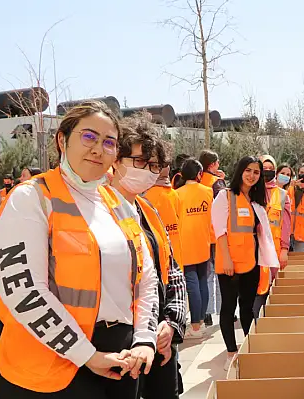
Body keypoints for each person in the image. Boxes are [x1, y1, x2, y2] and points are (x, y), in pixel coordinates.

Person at [0, 101, 160, 398]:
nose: (98, 149)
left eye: (109, 142)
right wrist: (86, 354)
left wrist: (144, 339)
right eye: (89, 137)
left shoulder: (118, 204)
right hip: (50, 363)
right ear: (62, 140)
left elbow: (147, 279)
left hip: (119, 357)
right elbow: (23, 291)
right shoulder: (31, 198)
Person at [108, 117, 187, 399]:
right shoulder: (97, 211)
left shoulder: (147, 210)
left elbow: (172, 271)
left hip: (160, 339)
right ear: (115, 159)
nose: (148, 171)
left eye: (154, 166)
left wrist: (172, 324)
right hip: (120, 345)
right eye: (140, 161)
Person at [211, 156, 279, 371]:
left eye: (256, 172)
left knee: (248, 307)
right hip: (230, 263)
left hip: (252, 262)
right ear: (240, 171)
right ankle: (231, 352)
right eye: (248, 170)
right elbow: (219, 231)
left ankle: (249, 346)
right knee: (229, 308)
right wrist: (227, 259)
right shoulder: (225, 196)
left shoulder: (256, 201)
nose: (252, 175)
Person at [175, 158, 213, 339]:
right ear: (199, 174)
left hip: (185, 244)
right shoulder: (207, 191)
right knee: (202, 282)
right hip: (204, 242)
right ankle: (202, 323)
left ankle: (195, 327)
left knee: (192, 285)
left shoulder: (177, 194)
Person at [253, 155, 291, 318]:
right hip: (254, 252)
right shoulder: (252, 192)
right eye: (264, 169)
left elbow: (286, 225)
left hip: (274, 253)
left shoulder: (282, 195)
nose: (267, 172)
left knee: (272, 291)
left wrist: (284, 249)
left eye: (270, 169)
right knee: (256, 293)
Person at [200, 149, 226, 327]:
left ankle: (207, 312)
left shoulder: (197, 180)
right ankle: (224, 310)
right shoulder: (217, 184)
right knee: (220, 274)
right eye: (217, 163)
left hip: (200, 234)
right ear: (212, 165)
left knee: (207, 275)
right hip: (217, 233)